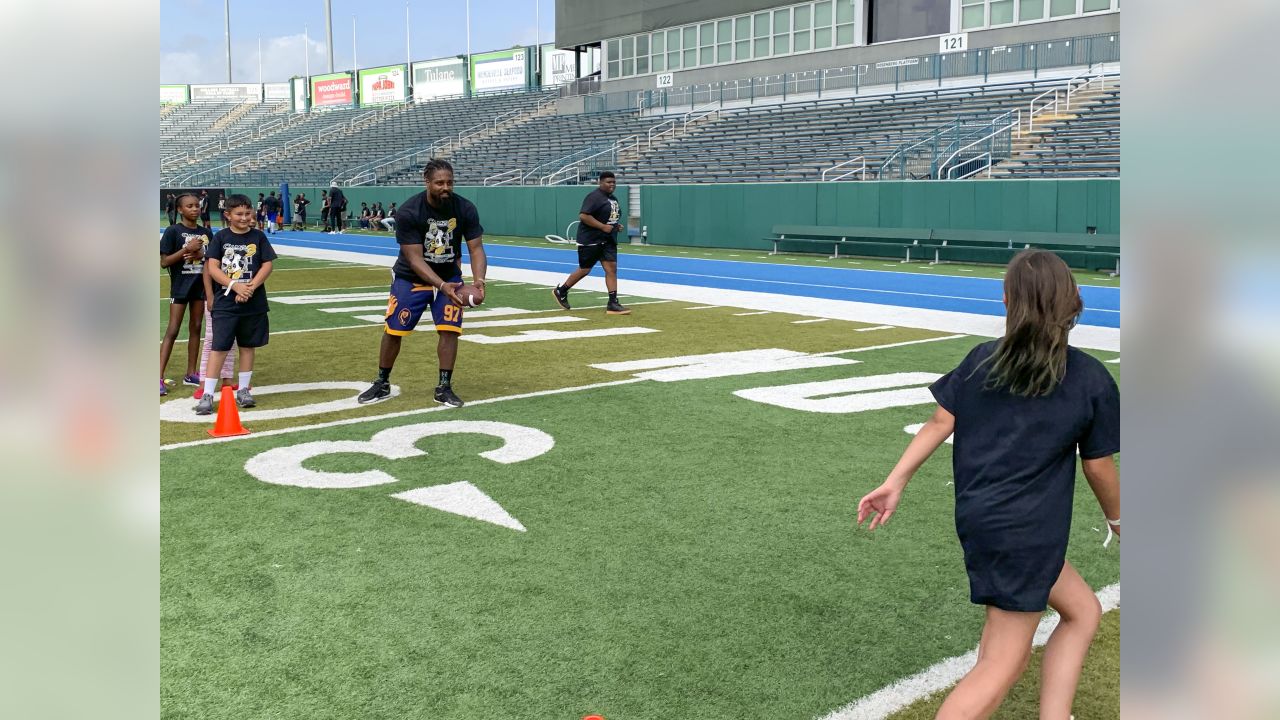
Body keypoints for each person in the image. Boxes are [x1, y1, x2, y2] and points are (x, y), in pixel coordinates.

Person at [856, 249, 1120, 720]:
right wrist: (1120, 519)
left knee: (1082, 610)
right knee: (1005, 660)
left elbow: (939, 421)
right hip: (1027, 532)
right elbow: (1097, 467)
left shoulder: (982, 360)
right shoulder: (1090, 378)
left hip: (986, 522)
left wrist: (895, 481)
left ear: (1006, 300)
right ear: (1075, 299)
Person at [357, 158, 486, 408]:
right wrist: (440, 285)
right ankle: (382, 382)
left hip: (449, 275)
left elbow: (477, 248)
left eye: (449, 182)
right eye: (439, 183)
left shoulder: (465, 208)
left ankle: (444, 387)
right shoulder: (410, 211)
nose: (445, 187)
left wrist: (479, 280)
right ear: (426, 182)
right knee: (395, 330)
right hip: (411, 277)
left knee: (450, 330)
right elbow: (414, 259)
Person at [195, 194, 278, 415]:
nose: (244, 218)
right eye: (239, 214)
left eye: (247, 213)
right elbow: (212, 268)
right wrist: (235, 286)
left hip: (253, 301)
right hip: (225, 302)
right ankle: (208, 393)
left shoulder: (258, 237)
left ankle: (243, 390)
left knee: (247, 346)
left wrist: (249, 287)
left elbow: (267, 265)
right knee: (219, 347)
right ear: (228, 215)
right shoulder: (220, 237)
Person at [552, 171, 629, 315]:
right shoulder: (594, 197)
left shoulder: (613, 199)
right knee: (585, 269)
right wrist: (602, 226)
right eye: (608, 182)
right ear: (600, 183)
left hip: (608, 240)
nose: (612, 184)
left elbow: (610, 217)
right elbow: (584, 216)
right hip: (591, 240)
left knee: (611, 269)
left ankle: (612, 303)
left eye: (613, 182)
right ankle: (561, 291)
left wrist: (615, 225)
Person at [159, 193, 212, 395]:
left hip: (200, 287)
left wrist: (202, 254)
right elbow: (164, 262)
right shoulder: (173, 231)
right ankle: (158, 376)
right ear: (180, 210)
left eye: (197, 205)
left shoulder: (206, 232)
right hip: (180, 287)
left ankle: (191, 372)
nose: (195, 209)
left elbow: (213, 260)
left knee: (196, 328)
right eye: (189, 206)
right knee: (173, 329)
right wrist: (186, 250)